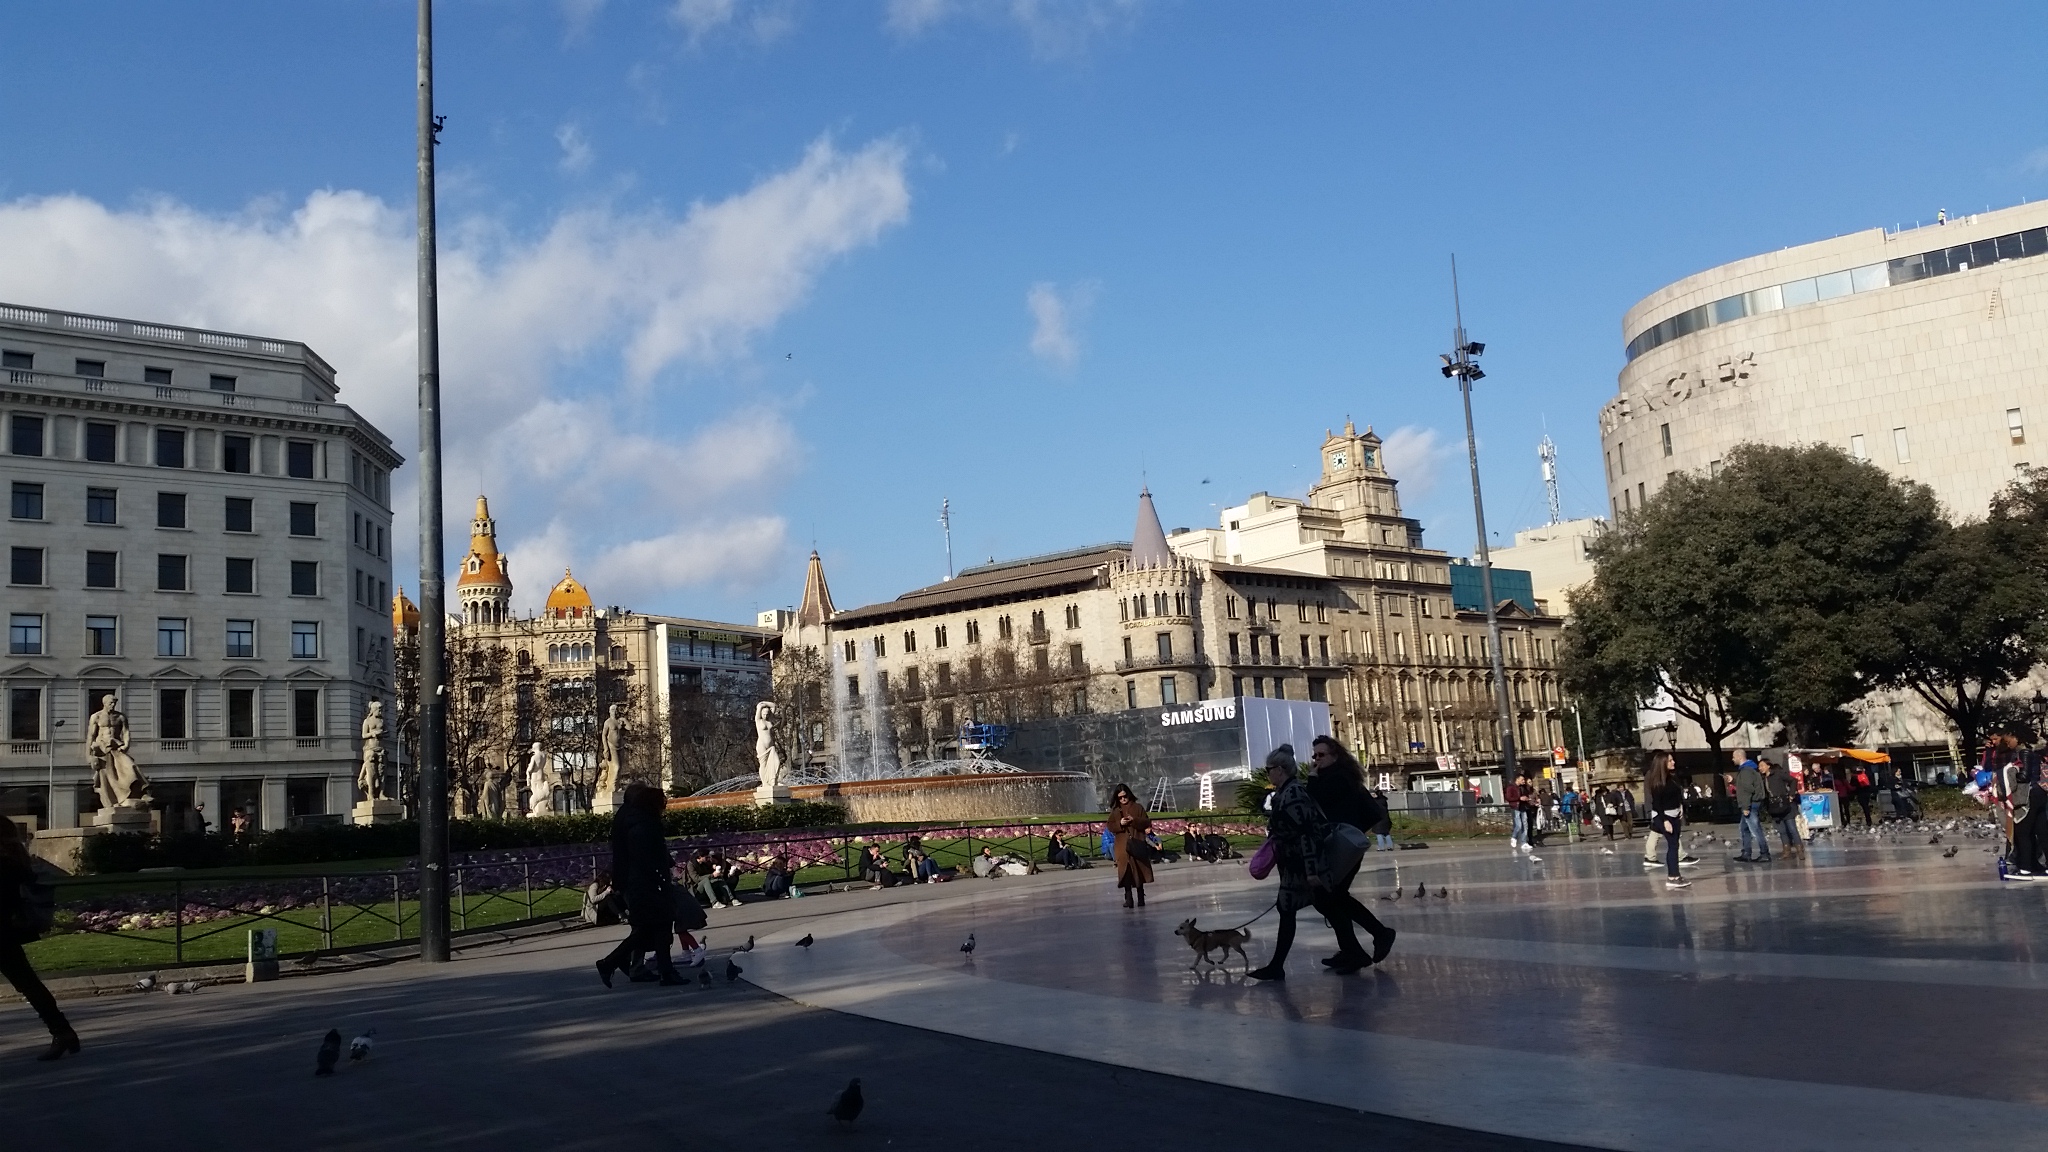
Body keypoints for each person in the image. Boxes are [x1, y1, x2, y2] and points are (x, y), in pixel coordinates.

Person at [1247, 745, 1346, 981]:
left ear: (1280, 770)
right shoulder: (1287, 792)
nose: (1267, 773)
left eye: (1269, 769)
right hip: (1296, 866)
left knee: (1310, 908)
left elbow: (1306, 833)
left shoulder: (1293, 794)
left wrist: (1312, 870)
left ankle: (1277, 965)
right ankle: (1355, 949)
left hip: (1302, 867)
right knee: (1321, 908)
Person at [1303, 736, 1397, 970]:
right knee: (1333, 896)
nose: (1316, 760)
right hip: (1343, 843)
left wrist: (1312, 779)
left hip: (1342, 846)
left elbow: (1315, 800)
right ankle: (1356, 948)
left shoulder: (1338, 778)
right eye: (1314, 755)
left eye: (1321, 755)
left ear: (1335, 755)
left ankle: (1368, 941)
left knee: (1329, 896)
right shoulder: (1342, 776)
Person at [1, 818, 77, 1061]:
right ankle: (62, 1031)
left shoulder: (5, 862)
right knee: (29, 984)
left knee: (29, 984)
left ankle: (62, 1032)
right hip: (5, 933)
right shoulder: (16, 860)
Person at [595, 785, 683, 986]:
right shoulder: (641, 822)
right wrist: (661, 876)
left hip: (637, 882)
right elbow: (646, 854)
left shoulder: (628, 817)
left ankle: (664, 972)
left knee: (655, 926)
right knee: (650, 927)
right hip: (644, 883)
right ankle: (610, 963)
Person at [1646, 753, 1689, 891]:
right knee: (1672, 845)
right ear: (1662, 763)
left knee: (1675, 845)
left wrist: (1680, 806)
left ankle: (1675, 875)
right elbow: (1657, 804)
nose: (1673, 762)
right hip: (1664, 816)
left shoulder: (1672, 778)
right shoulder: (1658, 782)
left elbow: (1677, 795)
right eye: (1670, 760)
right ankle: (1672, 876)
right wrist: (1664, 821)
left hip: (1675, 814)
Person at [1107, 782, 1153, 908]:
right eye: (1120, 797)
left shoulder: (1138, 807)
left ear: (1129, 795)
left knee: (1138, 870)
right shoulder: (1116, 811)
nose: (1123, 799)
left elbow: (1146, 822)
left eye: (1125, 796)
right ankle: (1128, 898)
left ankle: (1140, 896)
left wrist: (1134, 820)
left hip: (1136, 842)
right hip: (1122, 846)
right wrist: (1120, 823)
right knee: (1125, 872)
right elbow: (1110, 826)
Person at [2008, 762, 2047, 879]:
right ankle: (2034, 864)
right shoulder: (2039, 755)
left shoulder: (2023, 753)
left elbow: (2024, 777)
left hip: (2031, 793)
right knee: (2042, 831)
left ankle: (2025, 867)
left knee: (2023, 831)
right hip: (2042, 792)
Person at [1734, 750, 1771, 863]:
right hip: (1752, 802)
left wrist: (1745, 807)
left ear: (1740, 757)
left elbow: (1747, 789)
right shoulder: (1750, 769)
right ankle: (1746, 853)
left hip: (1750, 804)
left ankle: (1764, 853)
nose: (1732, 759)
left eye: (1734, 757)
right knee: (1744, 828)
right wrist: (1733, 782)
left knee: (1755, 829)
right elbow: (1745, 785)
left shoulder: (1746, 770)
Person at [1762, 759, 1804, 861]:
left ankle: (1800, 850)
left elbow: (1793, 780)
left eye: (1762, 765)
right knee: (1782, 830)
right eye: (1759, 766)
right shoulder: (1763, 778)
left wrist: (1791, 794)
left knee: (1792, 828)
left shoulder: (1778, 774)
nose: (1760, 768)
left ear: (1768, 766)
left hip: (1785, 805)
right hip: (1774, 807)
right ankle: (1786, 851)